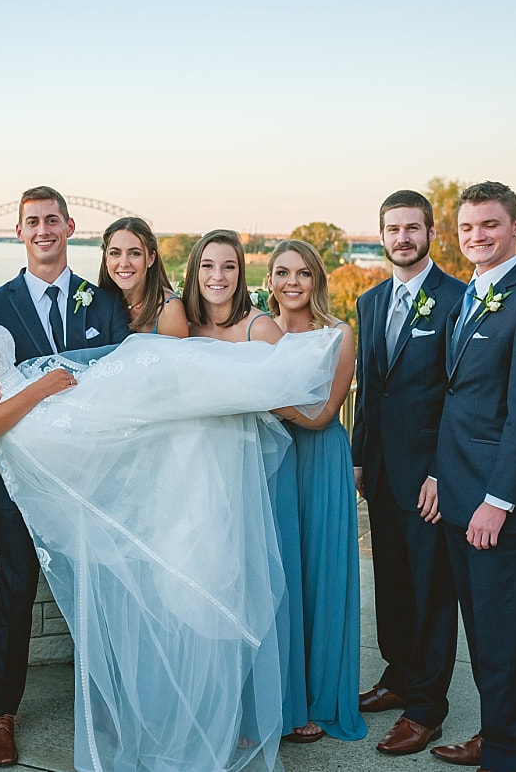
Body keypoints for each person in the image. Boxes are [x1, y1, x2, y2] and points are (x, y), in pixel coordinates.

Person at [0, 227, 341, 772]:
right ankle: (271, 375)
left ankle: (263, 380)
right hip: (30, 438)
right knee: (147, 380)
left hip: (36, 409)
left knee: (149, 377)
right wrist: (38, 388)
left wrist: (20, 385)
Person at [0, 186, 129, 766]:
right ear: (20, 232)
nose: (43, 229)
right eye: (32, 221)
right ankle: (0, 711)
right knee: (14, 590)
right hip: (18, 475)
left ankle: (110, 705)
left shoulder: (102, 301)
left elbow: (119, 377)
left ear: (70, 226)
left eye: (52, 220)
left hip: (91, 476)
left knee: (99, 590)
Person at [430, 182, 516, 772]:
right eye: (466, 227)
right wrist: (440, 475)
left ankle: (513, 759)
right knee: (484, 634)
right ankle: (497, 735)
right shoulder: (473, 294)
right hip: (458, 491)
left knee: (502, 634)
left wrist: (498, 499)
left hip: (496, 504)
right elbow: (460, 398)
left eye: (489, 224)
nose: (476, 236)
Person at [181, 229, 309, 740]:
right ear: (195, 272)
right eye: (208, 266)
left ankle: (251, 710)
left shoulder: (260, 330)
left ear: (241, 274)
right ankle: (209, 704)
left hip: (251, 474)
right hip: (194, 478)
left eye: (229, 266)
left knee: (249, 590)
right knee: (201, 592)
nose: (218, 276)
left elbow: (296, 396)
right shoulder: (183, 328)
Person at [351, 190, 463, 757]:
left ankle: (426, 709)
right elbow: (370, 390)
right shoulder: (370, 303)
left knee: (432, 591)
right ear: (382, 234)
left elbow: (460, 398)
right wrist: (360, 459)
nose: (402, 238)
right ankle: (398, 677)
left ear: (430, 233)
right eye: (392, 229)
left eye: (412, 228)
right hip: (383, 475)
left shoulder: (458, 300)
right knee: (391, 582)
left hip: (431, 481)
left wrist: (443, 473)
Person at [267, 240, 368, 743]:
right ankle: (282, 698)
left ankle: (321, 697)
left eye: (303, 274)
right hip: (275, 460)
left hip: (322, 458)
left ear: (316, 281)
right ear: (269, 281)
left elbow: (324, 414)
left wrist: (267, 400)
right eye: (282, 273)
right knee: (283, 577)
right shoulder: (259, 335)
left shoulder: (338, 335)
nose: (292, 283)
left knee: (321, 574)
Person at [98, 216, 187, 337]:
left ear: (151, 258)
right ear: (106, 258)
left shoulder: (169, 310)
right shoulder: (103, 302)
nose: (124, 263)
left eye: (135, 253)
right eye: (115, 253)